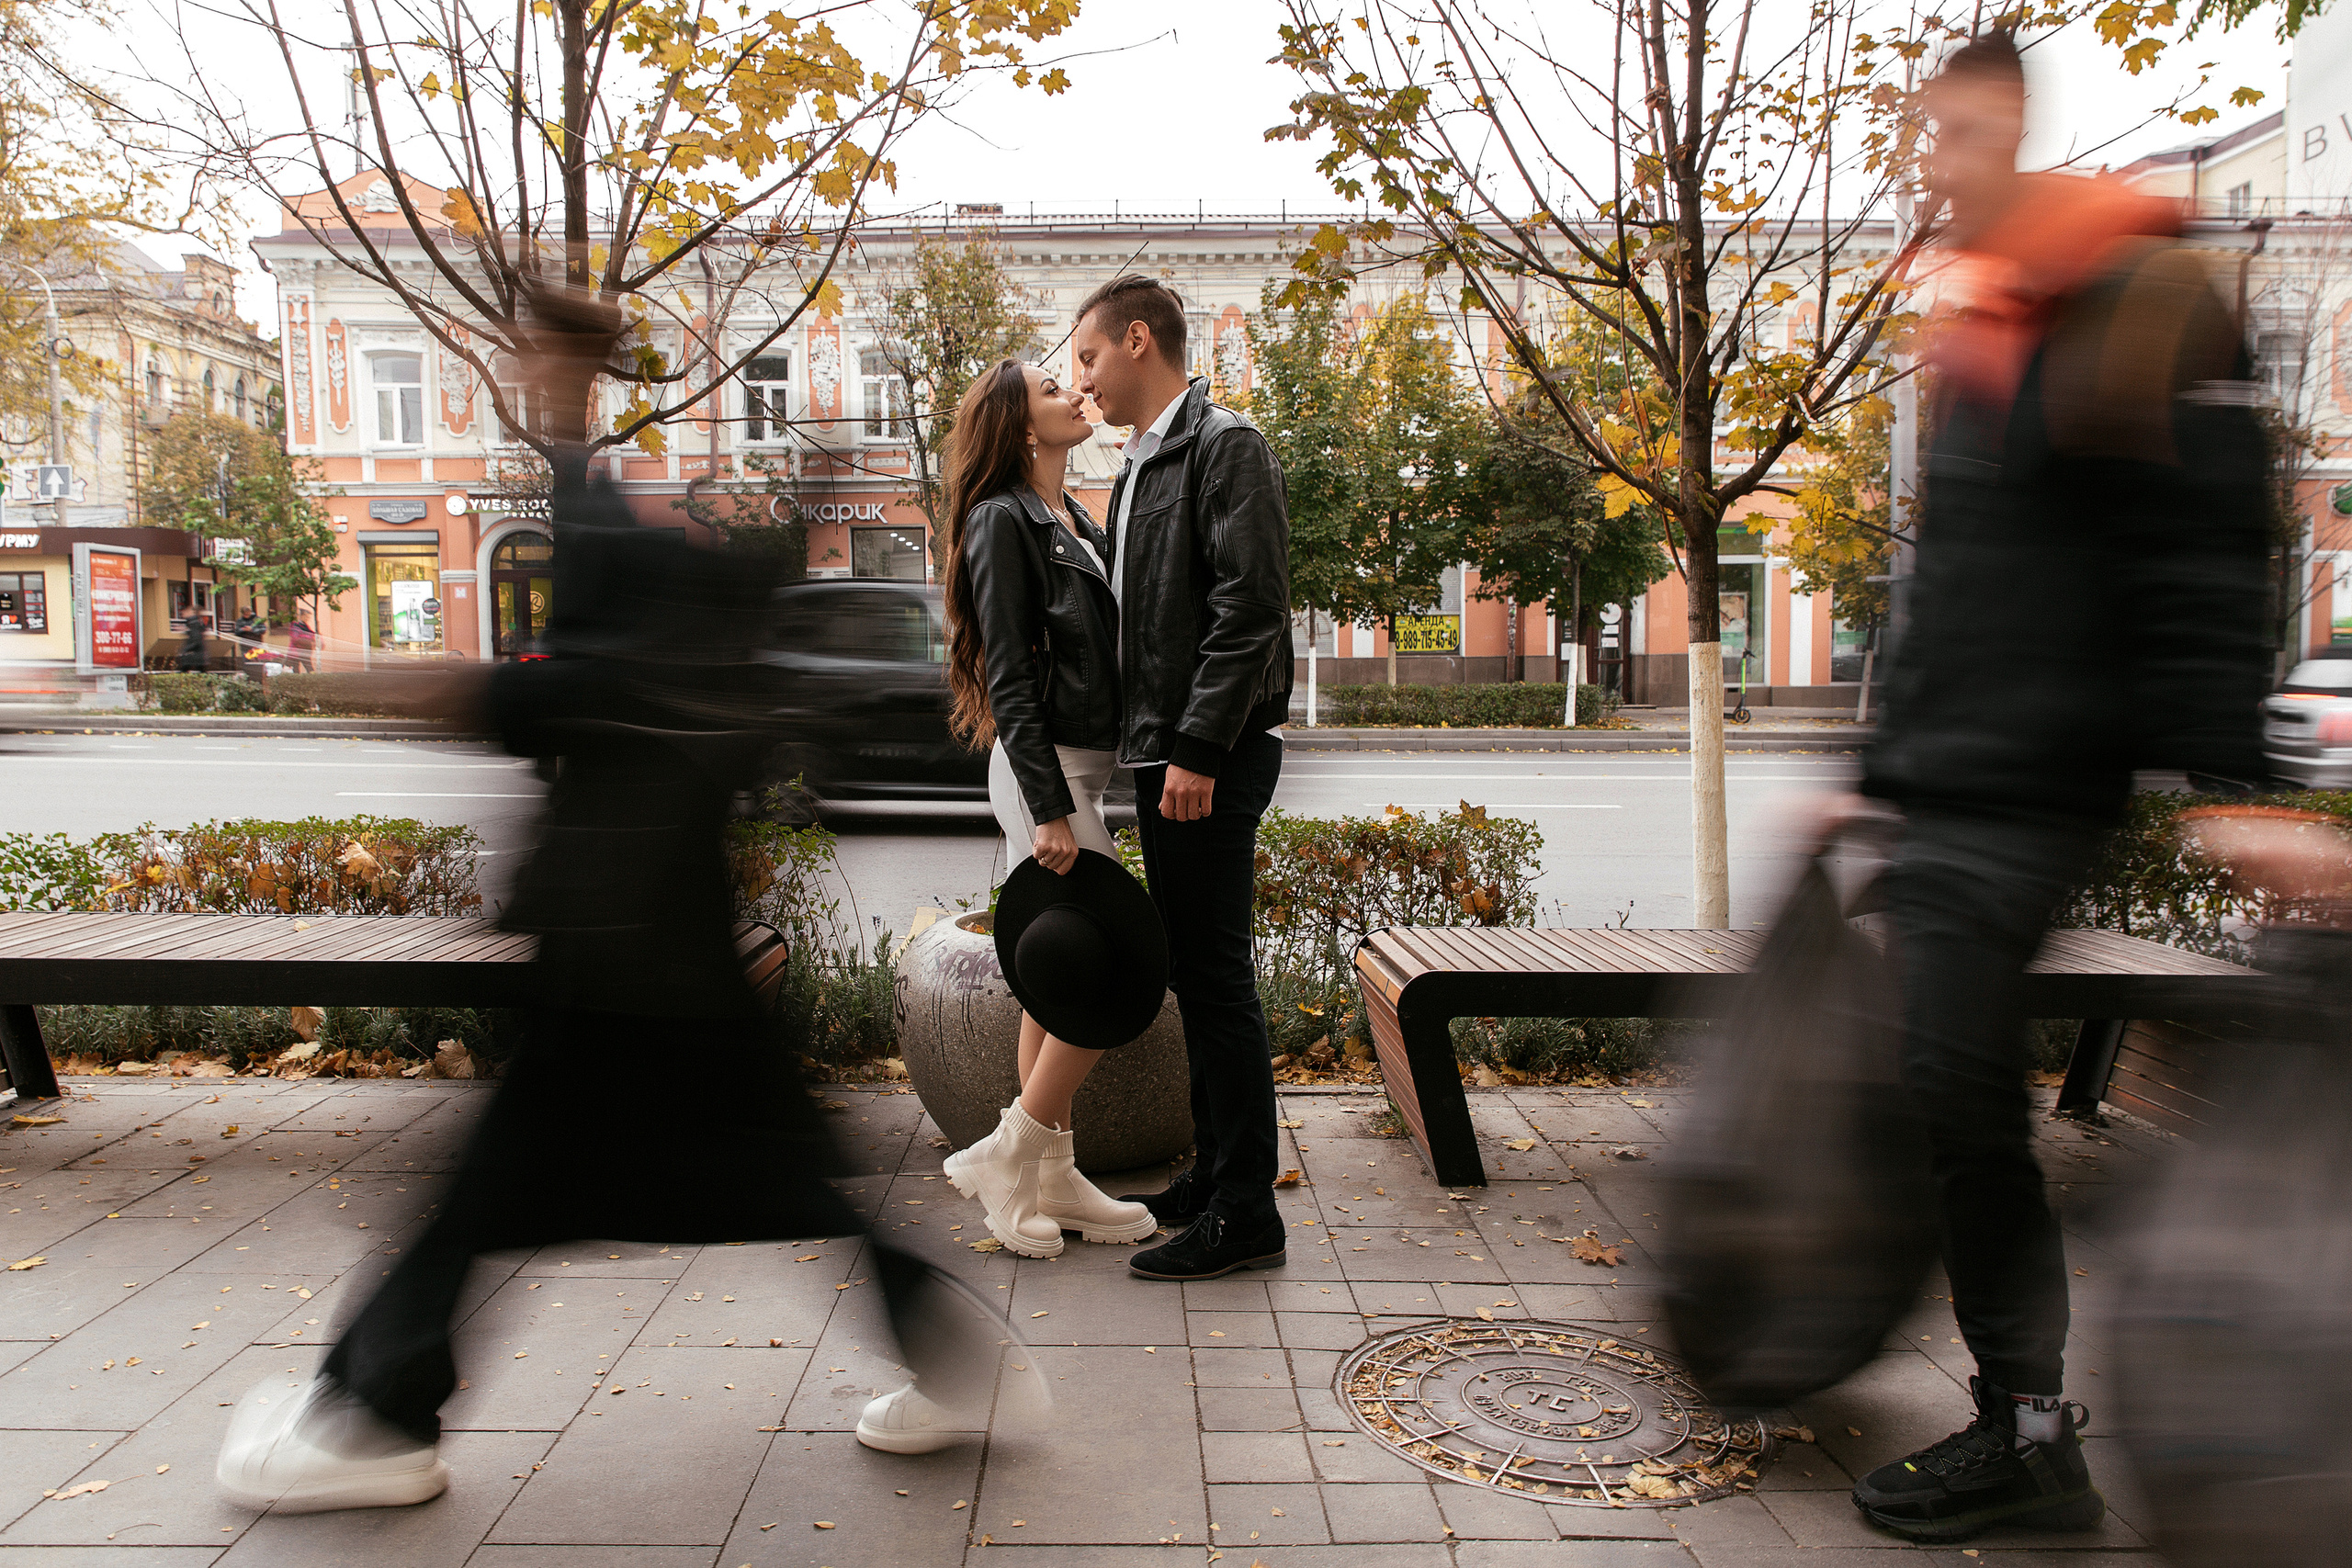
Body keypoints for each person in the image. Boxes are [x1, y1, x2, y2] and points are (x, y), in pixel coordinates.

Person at [213, 447, 1045, 1507]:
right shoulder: (698, 665)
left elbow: (490, 691)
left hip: (609, 995)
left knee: (479, 1200)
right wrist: (561, 405)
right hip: (683, 987)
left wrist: (319, 674)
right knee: (790, 1186)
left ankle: (372, 1420)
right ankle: (961, 1364)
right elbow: (590, 549)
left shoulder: (618, 674)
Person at [1829, 32, 2270, 1544]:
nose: (1931, 167)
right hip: (1960, 778)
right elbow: (1949, 586)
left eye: (1951, 136)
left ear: (2009, 127)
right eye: (1919, 141)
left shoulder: (2136, 290)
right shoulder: (1986, 321)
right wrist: (1873, 776)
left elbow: (2207, 545)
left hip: (2038, 782)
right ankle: (2014, 1392)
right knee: (1932, 1078)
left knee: (1953, 1077)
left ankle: (2031, 1425)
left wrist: (2228, 774)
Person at [1070, 275, 1296, 1282]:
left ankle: (1247, 1210)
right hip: (1168, 753)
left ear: (1134, 339)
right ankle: (1214, 1177)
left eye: (1086, 358)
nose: (1082, 381)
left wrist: (1200, 748)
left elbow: (1250, 606)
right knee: (1199, 980)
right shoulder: (1141, 464)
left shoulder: (1221, 445)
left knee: (1215, 980)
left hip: (1206, 755)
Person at [930, 358, 1160, 1258]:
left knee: (1061, 973)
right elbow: (1010, 677)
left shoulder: (1076, 520)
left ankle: (1050, 1179)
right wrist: (1051, 807)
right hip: (1045, 775)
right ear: (1023, 428)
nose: (1076, 396)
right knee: (1111, 967)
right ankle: (1009, 1156)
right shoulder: (1003, 520)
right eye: (1053, 392)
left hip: (1083, 774)